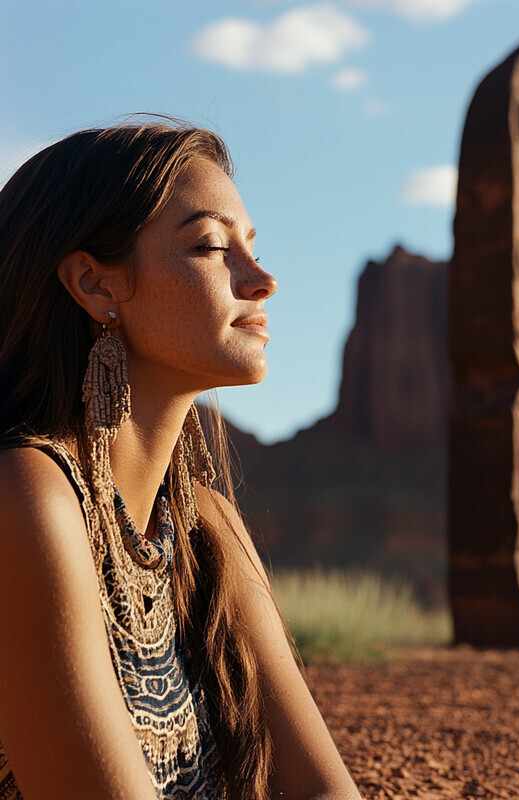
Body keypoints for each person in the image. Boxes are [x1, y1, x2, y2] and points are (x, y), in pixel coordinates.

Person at [0, 122, 362, 799]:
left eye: (252, 247)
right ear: (96, 286)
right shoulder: (27, 500)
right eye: (211, 247)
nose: (263, 281)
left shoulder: (206, 528)